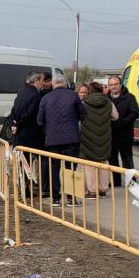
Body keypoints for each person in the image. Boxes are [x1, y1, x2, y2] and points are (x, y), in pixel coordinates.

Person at [37, 74, 87, 206]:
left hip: (53, 139)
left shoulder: (45, 98)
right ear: (64, 83)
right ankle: (71, 198)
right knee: (70, 168)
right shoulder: (73, 95)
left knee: (54, 168)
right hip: (72, 138)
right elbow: (83, 114)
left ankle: (55, 199)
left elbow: (40, 120)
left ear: (53, 84)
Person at [80, 82, 119, 199]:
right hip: (104, 137)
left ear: (90, 91)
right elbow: (115, 116)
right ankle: (102, 189)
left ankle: (92, 191)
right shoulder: (108, 102)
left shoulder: (84, 103)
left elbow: (79, 116)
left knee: (89, 164)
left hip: (87, 137)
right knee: (103, 162)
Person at [108, 76, 139, 186]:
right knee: (112, 159)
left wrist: (122, 122)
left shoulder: (129, 97)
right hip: (111, 135)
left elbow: (135, 113)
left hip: (125, 134)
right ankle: (115, 181)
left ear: (120, 85)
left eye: (115, 84)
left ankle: (131, 181)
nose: (113, 87)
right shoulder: (106, 98)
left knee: (127, 159)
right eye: (111, 85)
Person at [10, 71, 45, 149]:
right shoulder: (35, 94)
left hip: (18, 135)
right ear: (36, 80)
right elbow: (29, 113)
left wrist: (13, 124)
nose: (43, 83)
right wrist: (17, 125)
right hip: (29, 135)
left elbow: (14, 109)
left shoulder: (21, 90)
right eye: (42, 80)